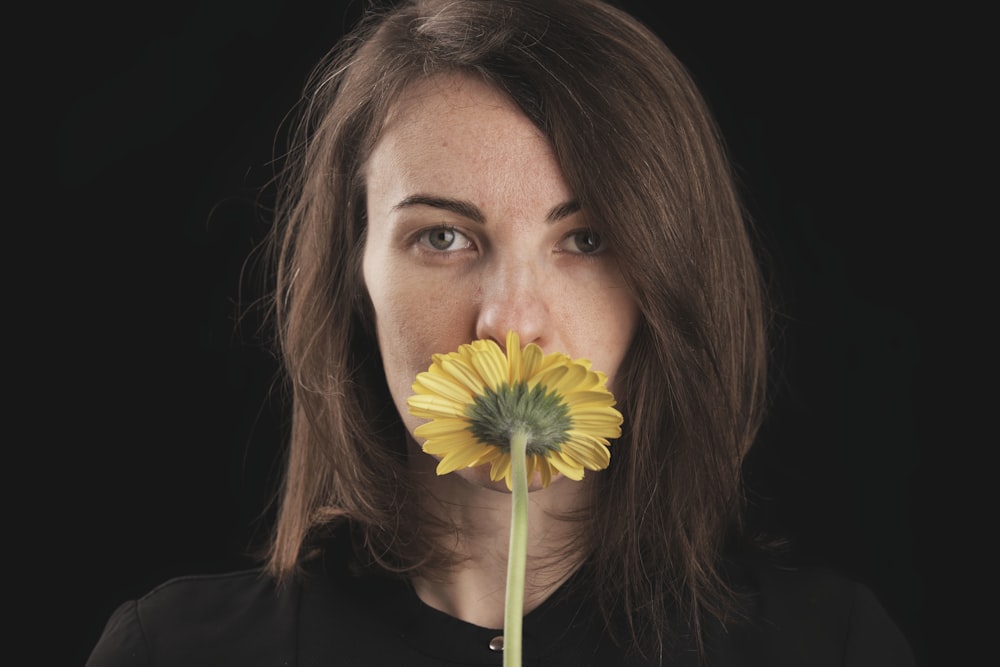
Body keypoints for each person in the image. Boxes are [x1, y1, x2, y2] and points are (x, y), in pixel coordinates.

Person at [86, 0, 916, 665]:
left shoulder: (826, 645)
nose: (510, 321)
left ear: (669, 280)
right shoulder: (173, 649)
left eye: (585, 240)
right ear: (356, 274)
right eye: (443, 237)